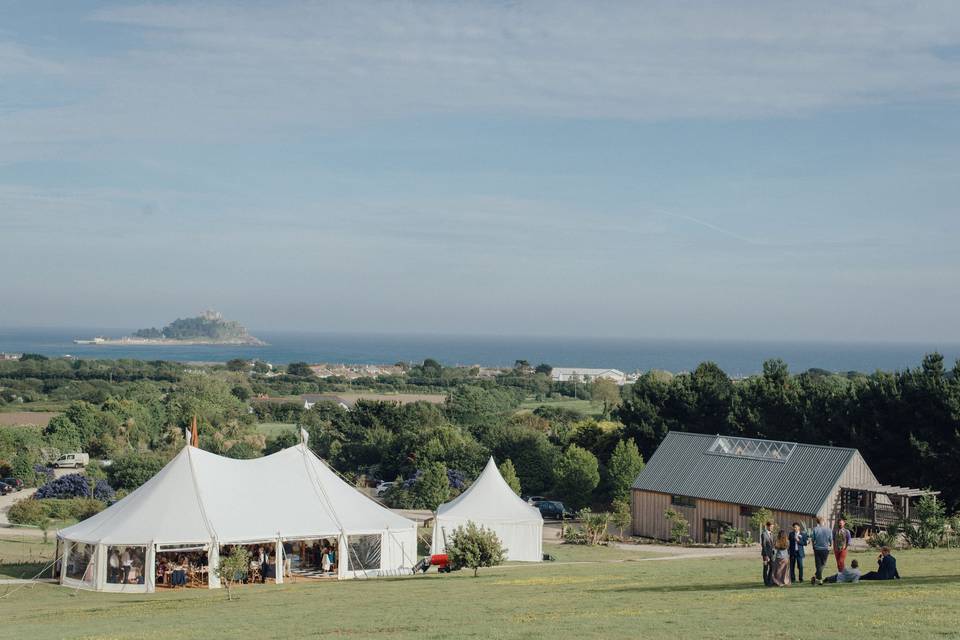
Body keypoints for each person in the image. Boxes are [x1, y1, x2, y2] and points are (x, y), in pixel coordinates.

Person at [810, 516, 833, 585]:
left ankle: (817, 577)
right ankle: (819, 579)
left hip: (817, 548)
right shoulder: (828, 529)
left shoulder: (815, 529)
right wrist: (830, 544)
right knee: (823, 564)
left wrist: (813, 546)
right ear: (823, 521)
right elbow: (830, 539)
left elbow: (813, 539)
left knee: (818, 564)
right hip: (825, 548)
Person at [760, 521, 776, 586]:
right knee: (765, 568)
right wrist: (766, 555)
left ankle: (769, 580)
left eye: (773, 527)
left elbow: (772, 544)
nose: (772, 528)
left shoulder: (772, 534)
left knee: (772, 567)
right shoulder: (763, 534)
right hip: (765, 554)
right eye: (771, 527)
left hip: (771, 554)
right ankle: (766, 582)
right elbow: (763, 545)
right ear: (767, 526)